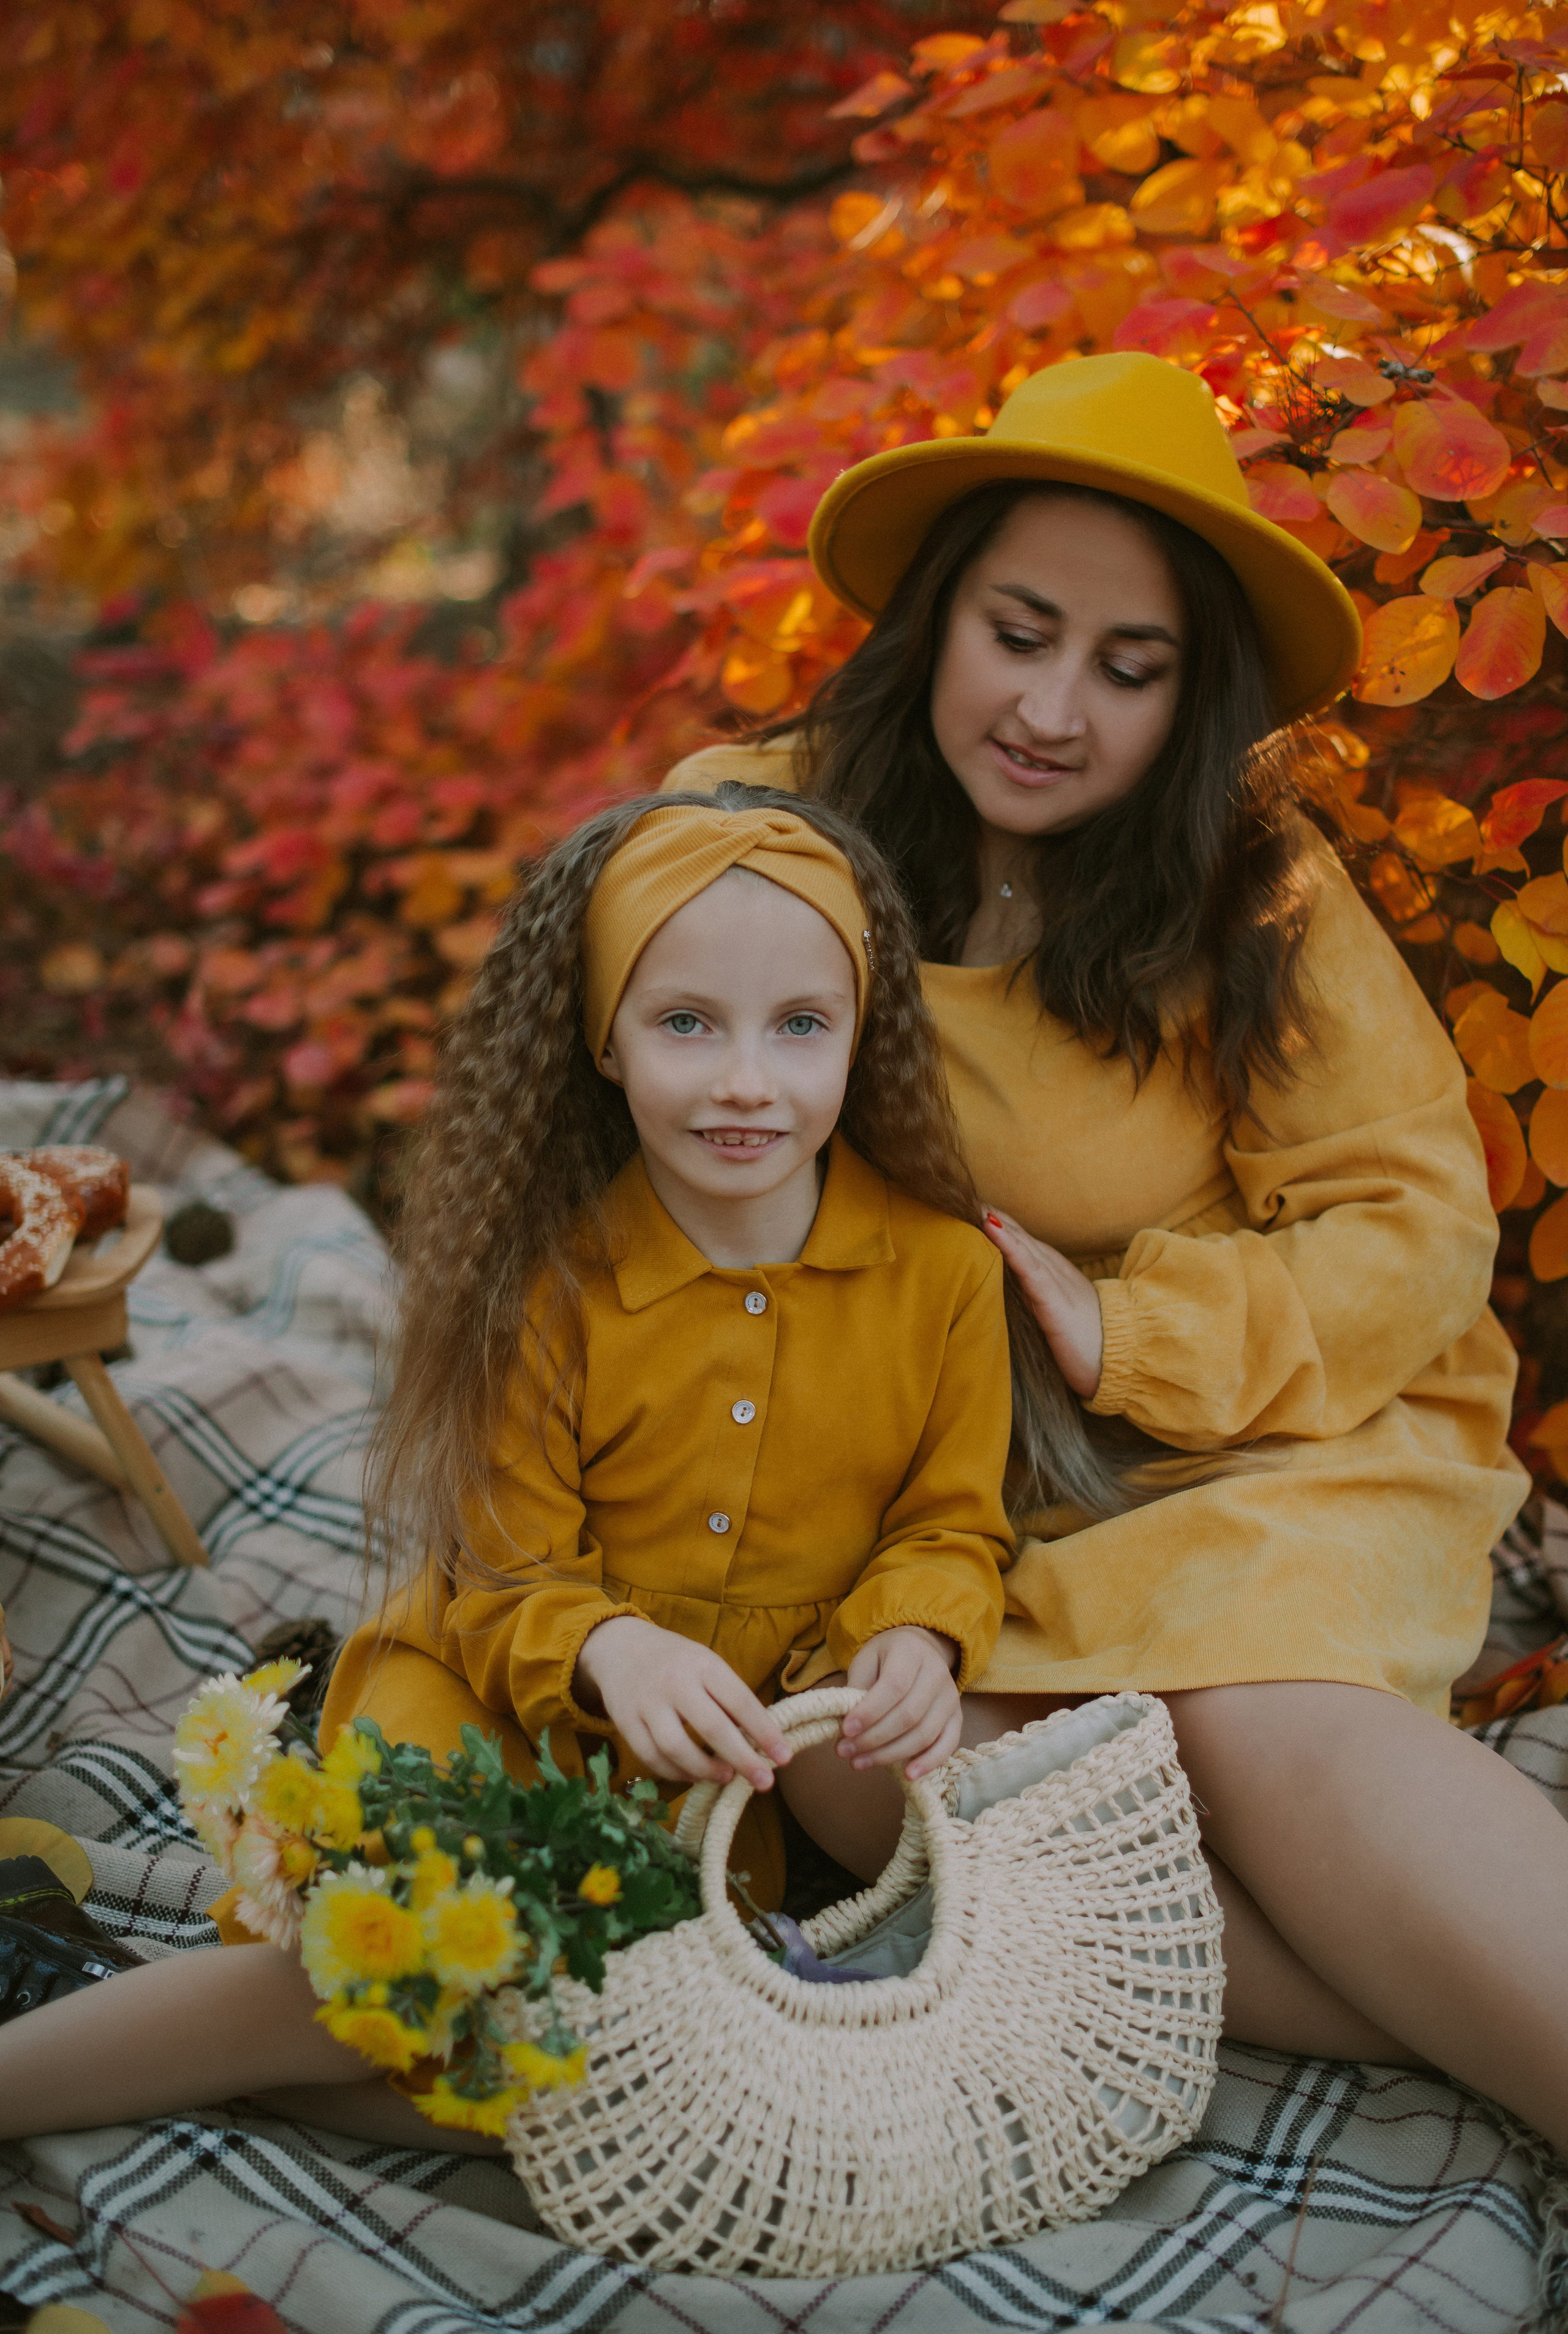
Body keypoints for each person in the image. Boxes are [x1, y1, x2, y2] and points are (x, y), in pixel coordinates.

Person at [662, 351, 1568, 2155]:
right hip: (937, 1497)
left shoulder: (1254, 886)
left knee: (1245, 1711)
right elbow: (602, 1166)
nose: (1052, 708)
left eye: (1128, 670)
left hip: (1263, 1434)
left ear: (1189, 701)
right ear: (938, 618)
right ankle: (1434, 2012)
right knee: (859, 1774)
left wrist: (1130, 1325)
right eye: (1020, 631)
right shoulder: (748, 832)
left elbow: (1410, 1225)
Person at [0, 790, 1062, 2149]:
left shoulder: (944, 1276)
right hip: (495, 1708)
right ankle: (48, 2055)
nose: (747, 1078)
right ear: (603, 1041)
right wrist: (616, 1648)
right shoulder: (552, 1287)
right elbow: (504, 1569)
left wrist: (915, 1624)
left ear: (863, 1036)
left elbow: (947, 1521)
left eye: (801, 1025)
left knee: (581, 2092)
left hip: (713, 1776)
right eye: (686, 1022)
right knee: (399, 1984)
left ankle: (142, 2018)